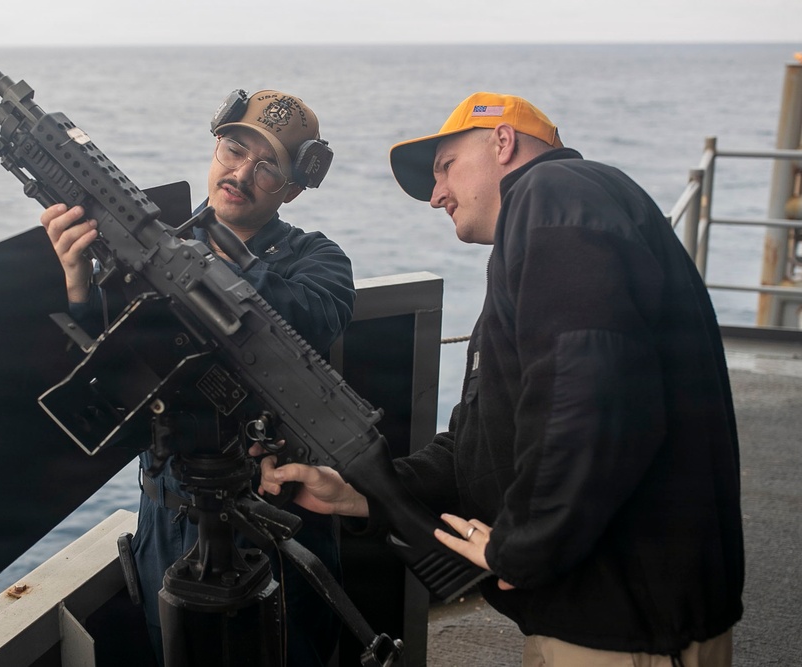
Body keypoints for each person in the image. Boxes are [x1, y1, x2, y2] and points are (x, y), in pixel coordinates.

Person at [256, 91, 744, 666]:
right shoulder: (550, 228)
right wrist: (360, 494)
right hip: (602, 611)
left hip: (626, 624)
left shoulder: (554, 193)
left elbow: (589, 398)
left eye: (445, 167)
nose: (436, 195)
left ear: (503, 141)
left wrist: (526, 550)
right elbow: (478, 446)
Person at [40, 89, 355, 666]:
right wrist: (80, 286)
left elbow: (312, 317)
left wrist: (210, 263)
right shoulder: (155, 252)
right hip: (169, 521)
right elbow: (101, 383)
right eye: (234, 148)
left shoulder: (318, 261)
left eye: (267, 167)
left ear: (294, 186)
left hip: (276, 530)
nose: (240, 172)